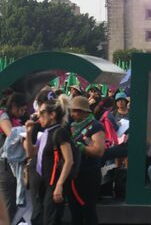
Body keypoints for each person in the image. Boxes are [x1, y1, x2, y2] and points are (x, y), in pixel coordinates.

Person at [24, 96, 72, 225]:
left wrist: (59, 185)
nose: (38, 116)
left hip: (52, 181)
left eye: (41, 113)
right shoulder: (45, 132)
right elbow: (31, 153)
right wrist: (28, 134)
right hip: (40, 181)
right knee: (37, 216)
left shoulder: (60, 132)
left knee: (50, 217)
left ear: (52, 115)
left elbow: (69, 160)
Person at [68, 96, 106, 225]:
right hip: (74, 174)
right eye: (71, 111)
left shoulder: (96, 126)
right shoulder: (71, 126)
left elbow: (99, 150)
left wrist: (80, 147)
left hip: (89, 174)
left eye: (75, 111)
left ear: (84, 112)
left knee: (88, 211)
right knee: (74, 212)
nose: (72, 114)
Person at [0, 89, 27, 223]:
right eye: (21, 110)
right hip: (4, 166)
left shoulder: (14, 119)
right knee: (7, 203)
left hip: (10, 166)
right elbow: (11, 134)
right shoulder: (3, 115)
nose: (23, 113)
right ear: (14, 106)